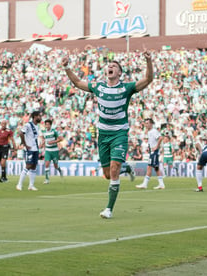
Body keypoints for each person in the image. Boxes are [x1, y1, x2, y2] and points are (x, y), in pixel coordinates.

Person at [62, 49, 153, 219]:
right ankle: (128, 168)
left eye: (114, 66)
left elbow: (148, 79)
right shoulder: (98, 87)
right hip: (103, 135)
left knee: (114, 169)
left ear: (119, 72)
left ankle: (109, 209)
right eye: (108, 65)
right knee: (107, 174)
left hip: (119, 134)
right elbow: (77, 82)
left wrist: (148, 60)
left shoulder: (126, 88)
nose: (110, 66)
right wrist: (67, 66)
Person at [136, 118, 165, 190]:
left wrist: (156, 147)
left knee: (149, 167)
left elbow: (160, 138)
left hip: (154, 152)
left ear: (151, 124)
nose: (146, 124)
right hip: (152, 151)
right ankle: (161, 184)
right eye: (145, 123)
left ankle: (145, 184)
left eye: (148, 123)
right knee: (156, 168)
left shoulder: (153, 131)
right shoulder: (149, 132)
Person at [16, 111, 42, 191]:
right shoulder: (28, 125)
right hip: (29, 149)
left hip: (35, 149)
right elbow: (21, 132)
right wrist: (25, 144)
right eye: (39, 116)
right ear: (34, 117)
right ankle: (19, 184)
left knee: (34, 166)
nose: (40, 118)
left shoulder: (37, 126)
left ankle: (31, 185)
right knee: (28, 166)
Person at [41, 118, 63, 184]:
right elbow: (44, 140)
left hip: (54, 150)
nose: (47, 126)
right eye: (46, 124)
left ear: (50, 125)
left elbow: (60, 139)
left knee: (55, 165)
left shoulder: (54, 131)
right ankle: (47, 179)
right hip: (48, 150)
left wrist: (53, 141)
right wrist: (42, 145)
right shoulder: (44, 132)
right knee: (47, 164)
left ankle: (59, 170)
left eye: (48, 124)